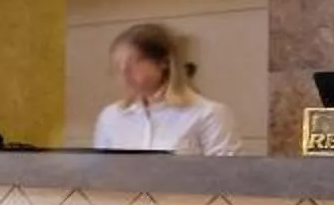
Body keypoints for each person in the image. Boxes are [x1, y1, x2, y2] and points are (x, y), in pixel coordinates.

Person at [93, 22, 234, 154]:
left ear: (163, 62)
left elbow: (230, 176)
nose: (124, 72)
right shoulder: (110, 116)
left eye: (133, 63)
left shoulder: (208, 114)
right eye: (118, 65)